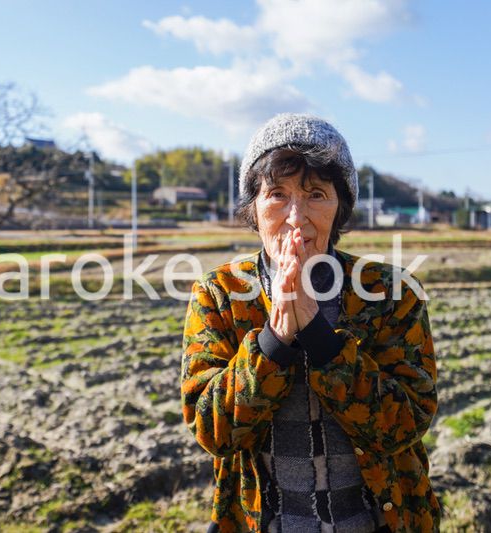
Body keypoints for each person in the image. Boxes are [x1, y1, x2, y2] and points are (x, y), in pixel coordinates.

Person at [181, 114, 440, 533]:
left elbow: (406, 424)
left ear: (340, 208)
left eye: (316, 194)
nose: (295, 216)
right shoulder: (220, 294)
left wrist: (321, 339)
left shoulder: (391, 292)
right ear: (254, 209)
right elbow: (213, 431)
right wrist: (274, 340)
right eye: (277, 194)